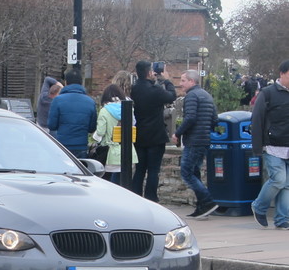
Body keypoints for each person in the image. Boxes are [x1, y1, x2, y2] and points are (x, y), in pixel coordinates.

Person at [171, 70, 219, 219]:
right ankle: (202, 208)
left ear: (192, 81)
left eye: (183, 80)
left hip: (194, 140)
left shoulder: (191, 96)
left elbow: (190, 118)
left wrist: (177, 133)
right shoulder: (206, 95)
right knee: (195, 172)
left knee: (186, 172)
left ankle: (207, 201)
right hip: (204, 140)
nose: (180, 84)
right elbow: (215, 119)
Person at [130, 60, 176, 202]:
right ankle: (151, 197)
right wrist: (167, 81)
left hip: (139, 136)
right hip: (156, 136)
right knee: (153, 170)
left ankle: (136, 196)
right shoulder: (155, 90)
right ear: (149, 72)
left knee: (139, 170)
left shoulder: (133, 89)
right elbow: (171, 96)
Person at [250, 59, 289, 229]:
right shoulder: (268, 93)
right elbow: (257, 119)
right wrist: (257, 146)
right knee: (279, 180)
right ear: (282, 73)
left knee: (287, 185)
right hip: (272, 145)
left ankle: (282, 219)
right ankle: (259, 206)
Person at [93, 84, 138, 184]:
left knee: (109, 182)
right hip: (128, 151)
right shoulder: (129, 108)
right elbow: (133, 124)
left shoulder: (104, 111)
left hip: (111, 153)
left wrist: (94, 137)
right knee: (124, 181)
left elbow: (100, 132)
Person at [47, 67, 97, 158]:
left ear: (66, 82)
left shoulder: (57, 100)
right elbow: (91, 128)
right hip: (81, 146)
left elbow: (52, 125)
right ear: (81, 82)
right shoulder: (90, 102)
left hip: (62, 145)